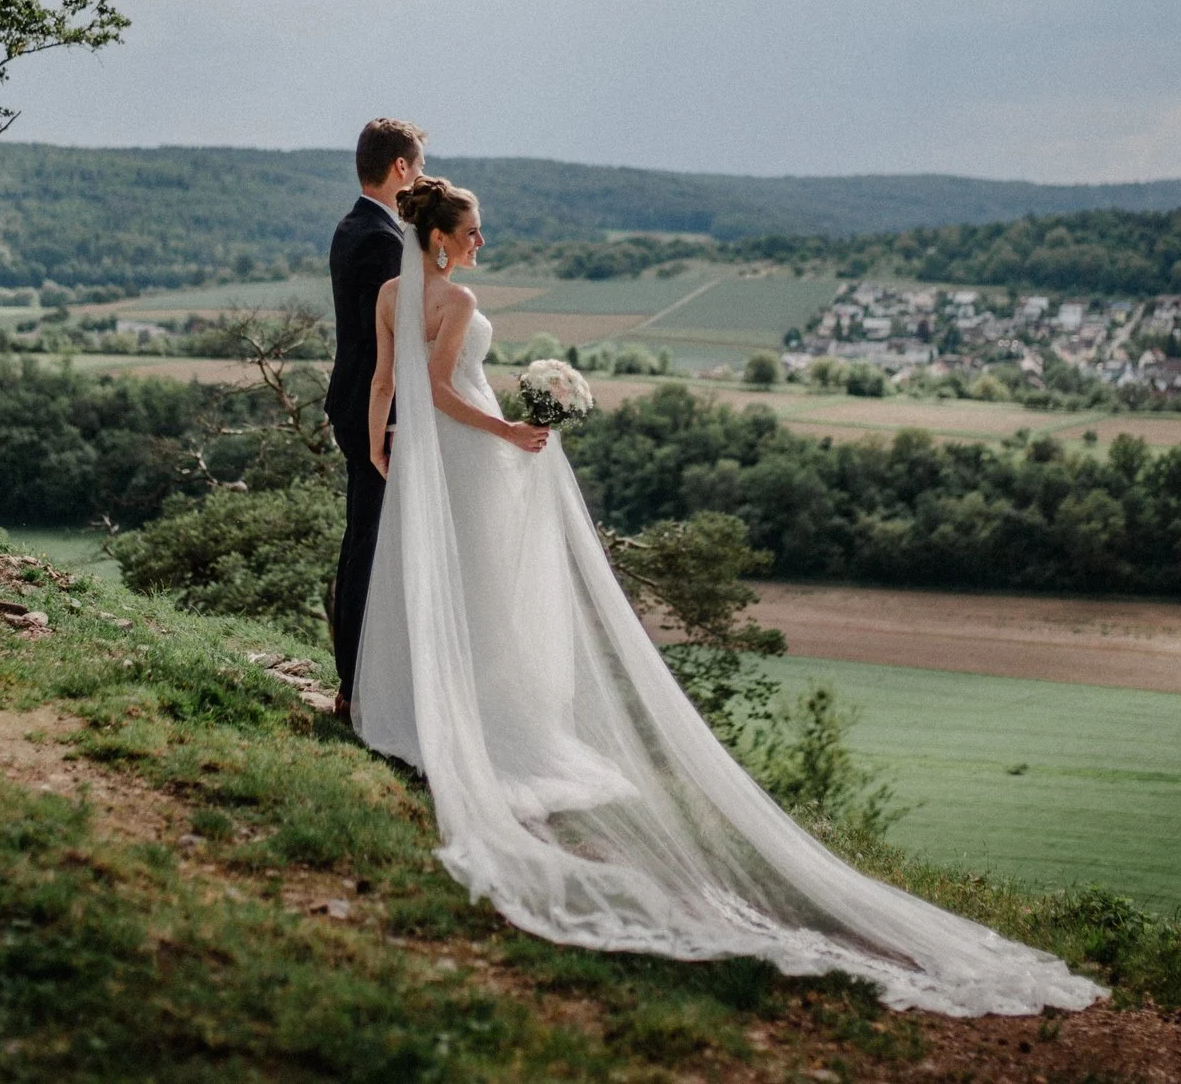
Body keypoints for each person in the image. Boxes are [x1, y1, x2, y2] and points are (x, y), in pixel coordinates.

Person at [350, 176, 1104, 1016]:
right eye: (475, 231)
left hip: (424, 456)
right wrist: (514, 432)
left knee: (452, 586)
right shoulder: (456, 296)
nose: (483, 242)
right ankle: (492, 727)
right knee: (489, 590)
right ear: (445, 240)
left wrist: (383, 449)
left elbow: (388, 379)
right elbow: (443, 390)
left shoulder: (389, 290)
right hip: (468, 445)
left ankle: (428, 711)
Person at [323, 117, 425, 719]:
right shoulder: (383, 240)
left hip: (358, 401)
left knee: (363, 537)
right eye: (418, 166)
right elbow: (392, 339)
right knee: (368, 544)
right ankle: (355, 684)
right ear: (400, 169)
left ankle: (355, 677)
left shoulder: (356, 226)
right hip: (374, 412)